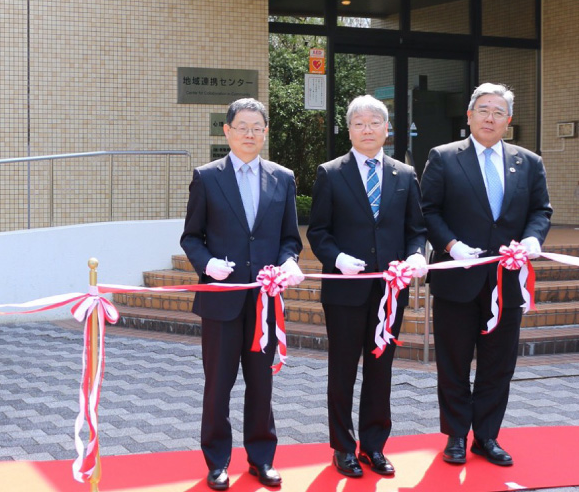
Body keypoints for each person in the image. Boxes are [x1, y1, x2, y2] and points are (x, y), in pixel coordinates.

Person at [420, 83, 551, 467]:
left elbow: (541, 211)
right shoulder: (443, 158)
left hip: (506, 279)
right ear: (469, 116)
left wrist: (532, 238)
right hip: (457, 278)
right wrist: (451, 245)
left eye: (498, 112)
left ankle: (487, 436)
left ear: (508, 120)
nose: (490, 117)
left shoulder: (528, 162)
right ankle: (456, 436)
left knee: (498, 363)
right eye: (483, 110)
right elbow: (428, 211)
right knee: (454, 361)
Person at [180, 97, 304, 490]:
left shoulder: (282, 178)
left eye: (257, 127)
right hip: (222, 299)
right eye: (242, 127)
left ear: (266, 133)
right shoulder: (207, 176)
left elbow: (289, 238)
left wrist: (288, 262)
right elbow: (191, 237)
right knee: (218, 384)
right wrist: (207, 264)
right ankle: (217, 461)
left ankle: (261, 458)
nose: (250, 134)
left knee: (261, 384)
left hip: (265, 301)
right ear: (227, 131)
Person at [307, 95, 428, 478]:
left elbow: (416, 230)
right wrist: (337, 258)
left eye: (375, 122)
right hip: (345, 292)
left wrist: (416, 255)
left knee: (381, 370)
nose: (367, 129)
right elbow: (318, 231)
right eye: (359, 123)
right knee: (342, 370)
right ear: (349, 129)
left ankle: (374, 446)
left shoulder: (404, 175)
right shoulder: (330, 172)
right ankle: (342, 447)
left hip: (389, 293)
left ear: (387, 128)